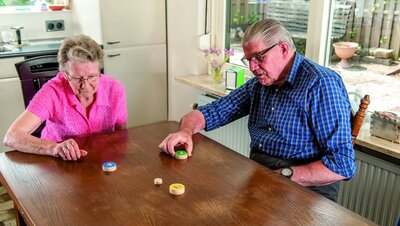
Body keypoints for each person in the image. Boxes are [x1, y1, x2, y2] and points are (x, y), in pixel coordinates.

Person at [159, 19, 356, 201]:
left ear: (283, 49)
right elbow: (212, 112)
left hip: (305, 189)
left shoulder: (321, 84)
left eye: (259, 57)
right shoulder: (260, 84)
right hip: (263, 177)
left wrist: (283, 176)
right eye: (248, 60)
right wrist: (185, 132)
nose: (253, 67)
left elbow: (342, 165)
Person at [3, 34, 128, 161]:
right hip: (58, 162)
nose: (85, 85)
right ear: (65, 74)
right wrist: (54, 148)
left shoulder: (115, 89)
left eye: (92, 76)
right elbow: (12, 137)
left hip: (99, 159)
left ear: (99, 71)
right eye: (77, 78)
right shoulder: (52, 91)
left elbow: (120, 133)